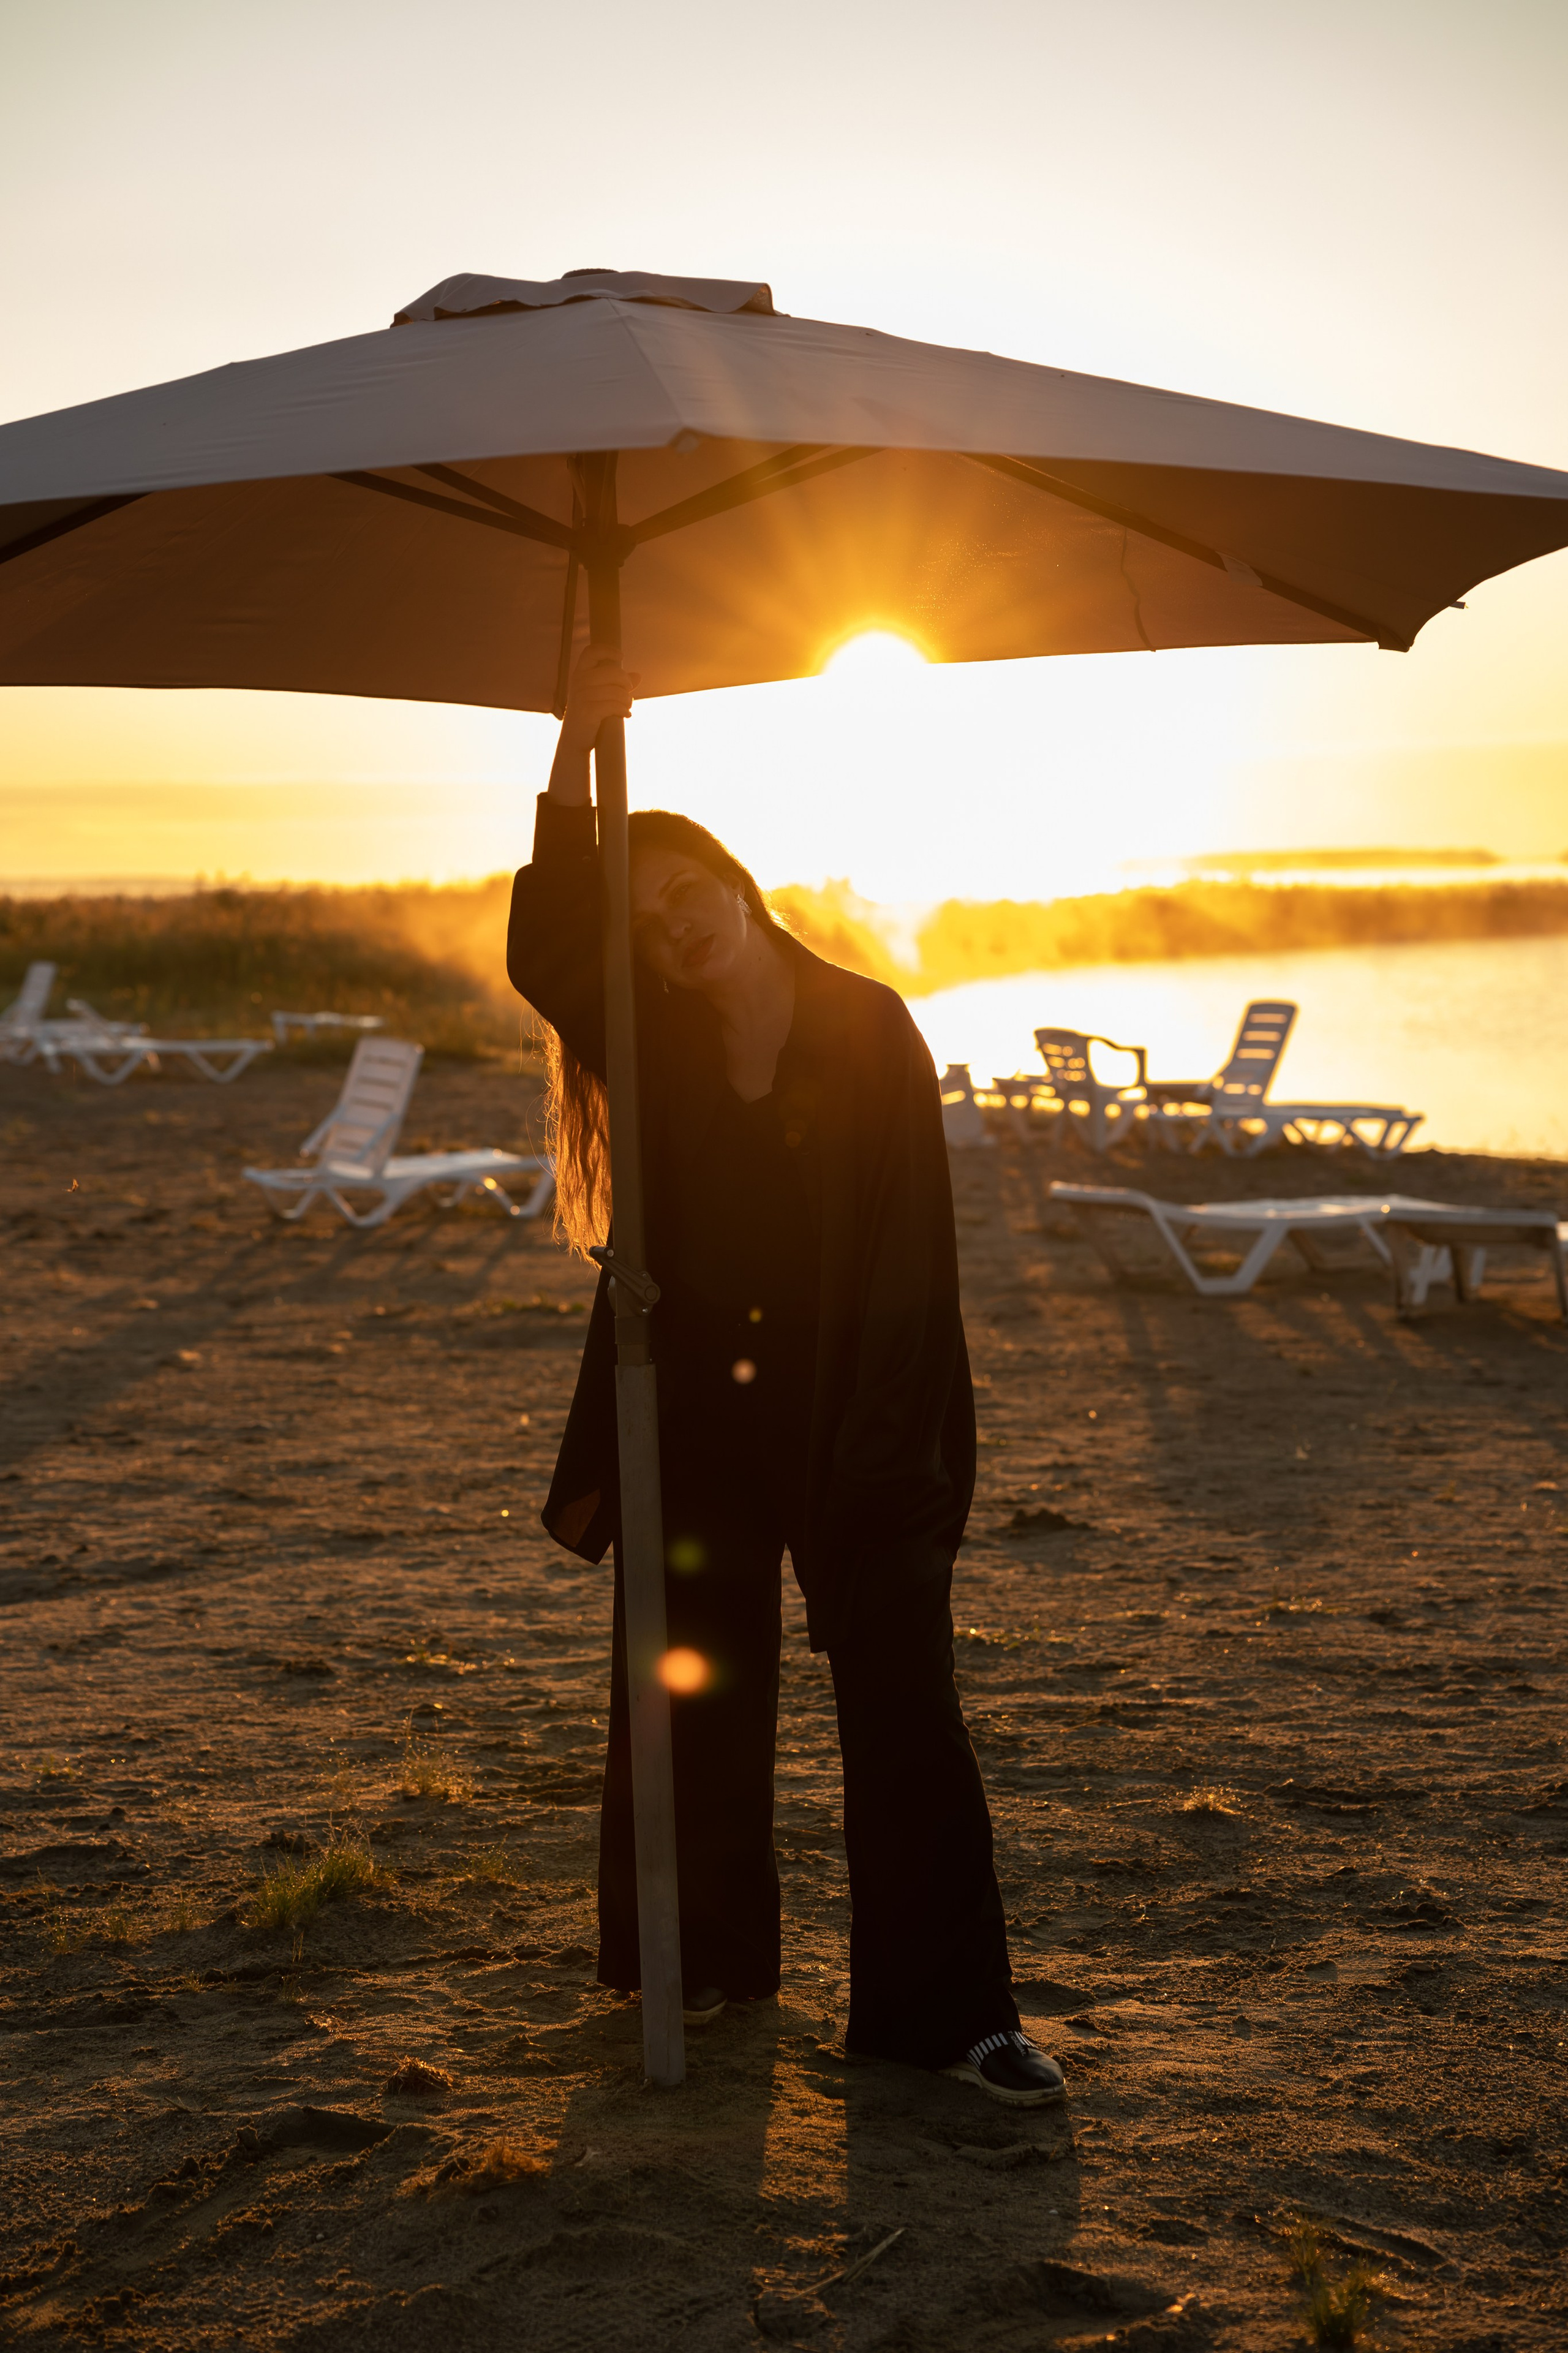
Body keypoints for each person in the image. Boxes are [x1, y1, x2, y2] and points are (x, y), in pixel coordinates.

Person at [506, 644, 1065, 2107]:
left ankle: (946, 2020)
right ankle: (701, 1958)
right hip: (697, 1411)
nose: (668, 925)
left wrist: (882, 1459)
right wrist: (572, 763)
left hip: (860, 1417)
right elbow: (545, 947)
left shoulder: (866, 1026)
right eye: (643, 917)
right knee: (691, 1684)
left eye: (682, 891)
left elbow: (909, 1273)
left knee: (901, 1709)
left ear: (737, 883)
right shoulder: (652, 1041)